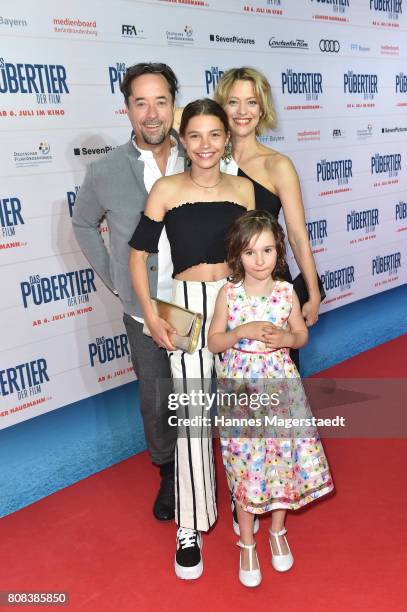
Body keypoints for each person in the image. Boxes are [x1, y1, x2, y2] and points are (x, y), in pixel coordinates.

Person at [128, 98, 255, 580]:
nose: (205, 145)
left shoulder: (244, 189)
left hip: (236, 300)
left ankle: (253, 507)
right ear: (183, 139)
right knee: (193, 419)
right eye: (195, 135)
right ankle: (191, 524)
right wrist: (149, 313)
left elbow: (258, 253)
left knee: (248, 412)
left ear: (227, 139)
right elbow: (138, 254)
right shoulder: (165, 189)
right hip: (182, 307)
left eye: (214, 135)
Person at [72, 62, 186, 522]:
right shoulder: (104, 170)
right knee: (157, 399)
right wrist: (114, 278)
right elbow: (82, 223)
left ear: (174, 105)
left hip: (200, 302)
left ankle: (201, 468)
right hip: (143, 311)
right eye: (141, 103)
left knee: (202, 392)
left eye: (161, 101)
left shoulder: (202, 156)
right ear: (127, 110)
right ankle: (168, 474)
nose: (152, 113)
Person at [208, 211, 334, 587]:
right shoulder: (228, 294)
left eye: (267, 250)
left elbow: (301, 335)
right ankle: (246, 541)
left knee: (281, 459)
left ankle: (277, 531)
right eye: (250, 252)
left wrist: (287, 339)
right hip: (240, 391)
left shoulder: (285, 292)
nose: (259, 260)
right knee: (246, 465)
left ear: (278, 251)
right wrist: (240, 331)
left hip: (281, 388)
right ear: (237, 255)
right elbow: (214, 341)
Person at [214, 66, 322, 329]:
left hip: (271, 290)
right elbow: (173, 116)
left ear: (261, 109)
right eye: (233, 102)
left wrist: (314, 292)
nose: (242, 112)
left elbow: (297, 236)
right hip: (225, 290)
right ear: (221, 108)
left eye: (252, 102)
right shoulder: (209, 160)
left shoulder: (278, 165)